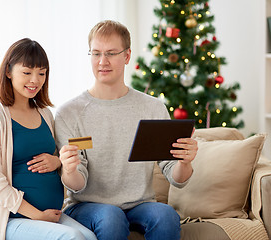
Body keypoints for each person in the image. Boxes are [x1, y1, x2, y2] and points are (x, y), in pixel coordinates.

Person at [55, 20, 198, 240]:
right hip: (87, 206)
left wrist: (184, 162)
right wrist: (70, 169)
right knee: (111, 217)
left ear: (127, 56)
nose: (102, 61)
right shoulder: (69, 113)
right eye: (96, 54)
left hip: (140, 204)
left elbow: (176, 177)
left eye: (111, 53)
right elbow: (77, 185)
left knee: (166, 215)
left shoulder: (152, 108)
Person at [0, 38, 97, 240]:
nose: (35, 80)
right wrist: (38, 216)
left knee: (90, 237)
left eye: (41, 73)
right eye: (27, 72)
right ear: (8, 72)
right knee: (74, 238)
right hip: (13, 219)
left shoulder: (45, 113)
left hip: (50, 216)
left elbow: (57, 158)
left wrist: (57, 161)